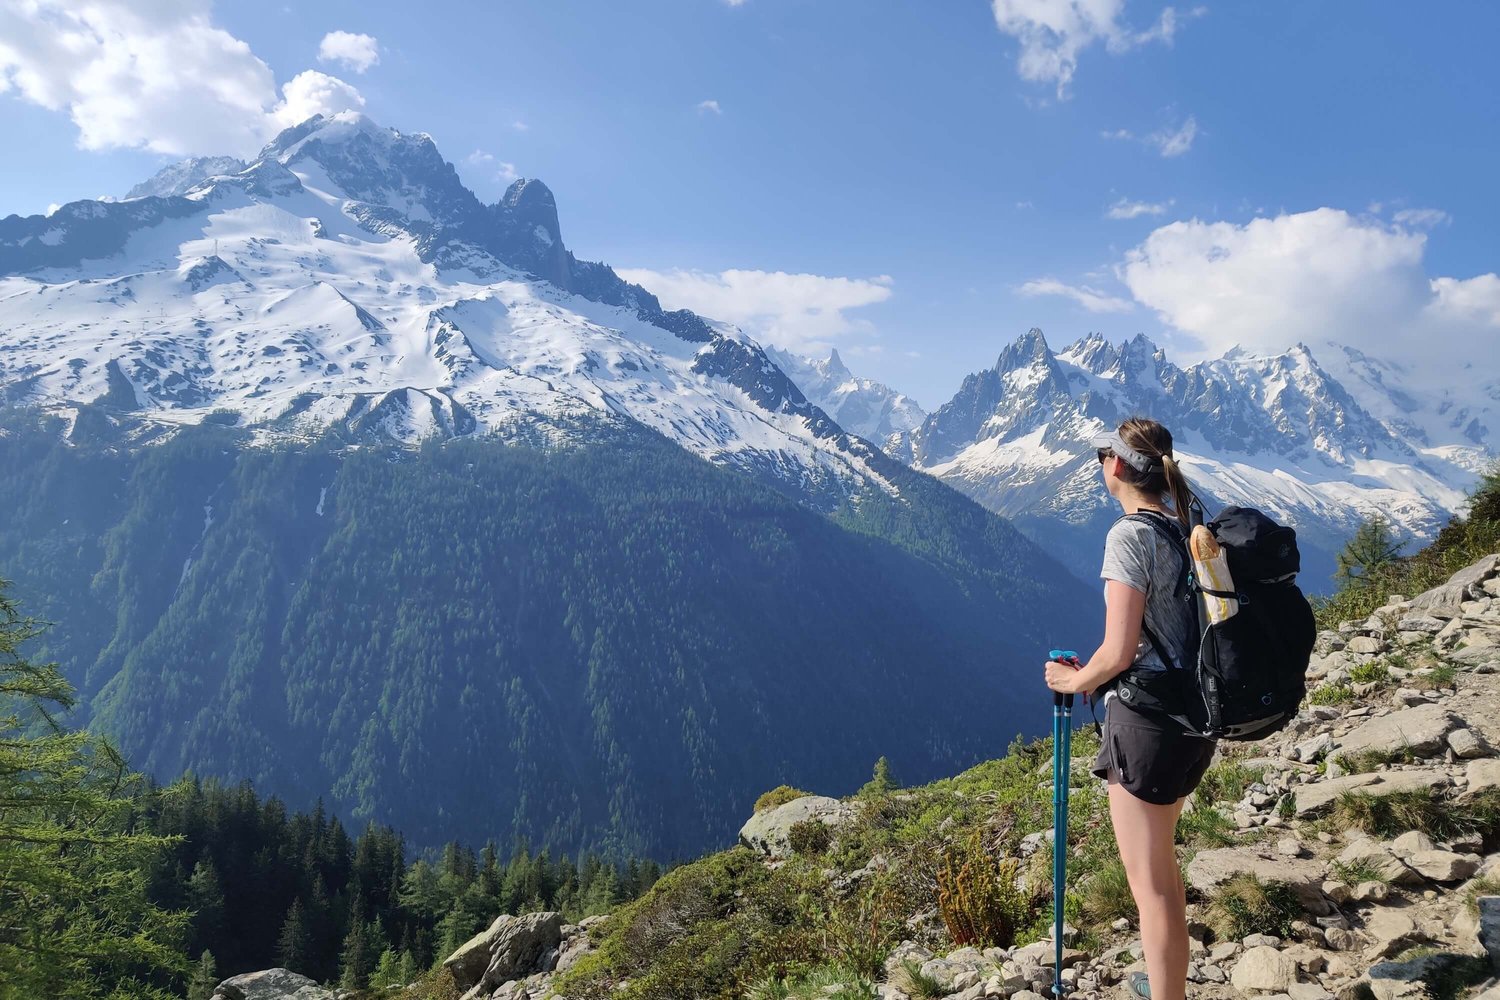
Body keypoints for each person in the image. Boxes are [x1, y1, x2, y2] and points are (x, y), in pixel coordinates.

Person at [1043, 416, 1216, 1000]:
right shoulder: (1185, 527)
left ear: (1116, 464)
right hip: (1195, 719)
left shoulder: (1129, 536)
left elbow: (1119, 650)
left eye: (1101, 453)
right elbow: (1154, 634)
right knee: (1162, 873)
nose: (1098, 462)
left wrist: (1073, 682)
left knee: (1153, 887)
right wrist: (1090, 673)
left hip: (1148, 726)